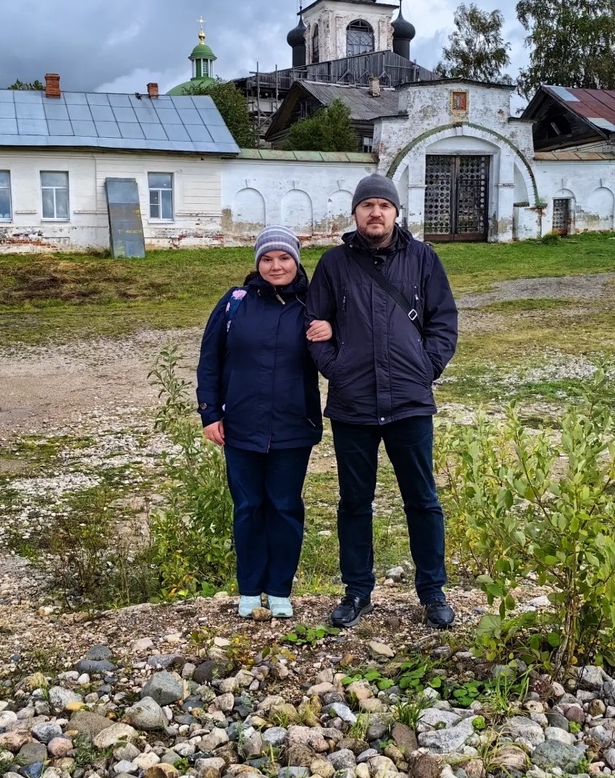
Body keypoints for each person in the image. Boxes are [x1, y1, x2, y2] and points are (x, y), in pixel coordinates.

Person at [306, 174, 459, 629]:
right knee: (354, 501)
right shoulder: (333, 264)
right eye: (367, 205)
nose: (376, 212)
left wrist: (424, 367)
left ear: (396, 212)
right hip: (353, 405)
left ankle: (432, 592)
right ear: (354, 214)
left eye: (383, 205)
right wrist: (339, 368)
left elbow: (444, 321)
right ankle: (356, 591)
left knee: (422, 499)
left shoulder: (424, 258)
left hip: (410, 403)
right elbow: (314, 326)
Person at [196, 226, 332, 619]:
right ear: (257, 263)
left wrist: (331, 330)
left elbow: (340, 352)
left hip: (294, 425)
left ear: (296, 260)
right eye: (268, 259)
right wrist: (210, 413)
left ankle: (280, 590)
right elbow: (210, 361)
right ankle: (250, 589)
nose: (276, 266)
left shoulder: (313, 304)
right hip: (240, 425)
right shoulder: (234, 303)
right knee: (248, 506)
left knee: (286, 506)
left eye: (284, 258)